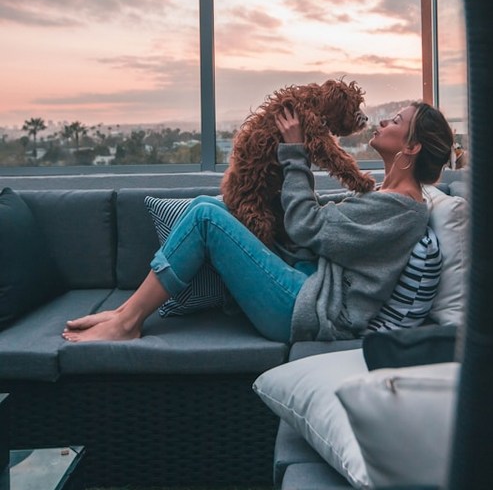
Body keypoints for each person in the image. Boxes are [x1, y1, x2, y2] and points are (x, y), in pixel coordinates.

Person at [62, 101, 454, 344]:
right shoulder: (388, 198)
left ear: (411, 146)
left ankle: (128, 321)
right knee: (206, 202)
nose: (384, 120)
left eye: (397, 120)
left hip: (303, 309)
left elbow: (307, 226)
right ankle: (123, 312)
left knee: (204, 217)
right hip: (304, 280)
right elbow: (322, 224)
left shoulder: (402, 210)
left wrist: (294, 152)